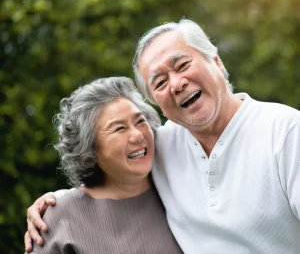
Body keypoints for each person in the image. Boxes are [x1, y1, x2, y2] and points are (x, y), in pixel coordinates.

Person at [26, 19, 300, 253]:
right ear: (156, 100)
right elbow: (115, 171)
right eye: (159, 82)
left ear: (216, 60)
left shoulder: (286, 131)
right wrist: (57, 204)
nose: (177, 84)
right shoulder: (161, 146)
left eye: (182, 65)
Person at [25, 76, 183, 253]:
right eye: (119, 128)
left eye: (140, 121)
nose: (138, 135)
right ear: (90, 148)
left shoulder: (178, 189)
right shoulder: (60, 217)